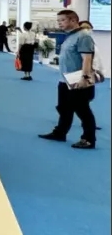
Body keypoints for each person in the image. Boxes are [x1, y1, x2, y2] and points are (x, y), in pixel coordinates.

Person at [39, 10, 96, 149]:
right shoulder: (69, 36)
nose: (59, 23)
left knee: (83, 111)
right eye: (58, 21)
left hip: (77, 80)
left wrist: (84, 77)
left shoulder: (83, 36)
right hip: (64, 80)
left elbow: (87, 59)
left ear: (73, 20)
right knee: (64, 109)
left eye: (62, 20)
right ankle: (60, 133)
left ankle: (88, 139)